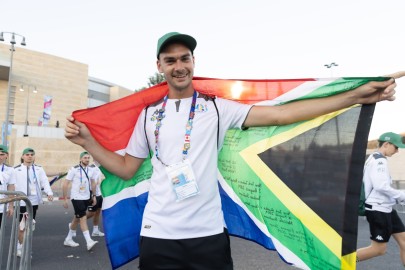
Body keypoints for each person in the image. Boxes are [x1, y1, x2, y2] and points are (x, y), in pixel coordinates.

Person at [64, 32, 403, 269]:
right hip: (157, 236)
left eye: (185, 58)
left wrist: (356, 96)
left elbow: (283, 113)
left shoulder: (216, 108)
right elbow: (125, 168)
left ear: (193, 61)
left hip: (208, 235)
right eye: (171, 60)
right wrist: (88, 143)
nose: (179, 66)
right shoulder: (148, 115)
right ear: (160, 66)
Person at [356, 132, 405, 265]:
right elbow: (381, 186)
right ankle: (336, 262)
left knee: (404, 242)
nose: (397, 151)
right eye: (396, 147)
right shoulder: (380, 161)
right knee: (378, 249)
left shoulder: (373, 158)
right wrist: (401, 195)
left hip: (385, 208)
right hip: (378, 209)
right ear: (386, 144)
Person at [14, 147, 53, 257]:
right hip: (21, 202)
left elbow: (44, 181)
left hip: (34, 202)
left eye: (32, 154)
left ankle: (21, 245)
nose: (30, 156)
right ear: (22, 156)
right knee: (23, 226)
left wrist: (49, 193)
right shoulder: (16, 169)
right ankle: (21, 248)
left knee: (29, 225)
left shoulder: (39, 169)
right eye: (27, 154)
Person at [62, 151, 98, 251]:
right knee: (82, 218)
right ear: (81, 159)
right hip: (76, 197)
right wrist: (65, 198)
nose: (87, 159)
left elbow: (93, 183)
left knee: (77, 218)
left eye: (88, 158)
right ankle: (89, 241)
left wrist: (94, 196)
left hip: (86, 197)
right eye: (85, 158)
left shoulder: (91, 170)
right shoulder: (74, 169)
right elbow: (65, 184)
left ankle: (68, 239)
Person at [86, 163, 104, 237]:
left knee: (98, 212)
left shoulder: (99, 167)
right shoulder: (91, 167)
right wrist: (93, 195)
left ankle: (95, 231)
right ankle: (74, 222)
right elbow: (90, 181)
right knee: (92, 213)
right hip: (93, 194)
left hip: (99, 193)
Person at [0, 144, 16, 228]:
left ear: (6, 155)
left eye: (2, 154)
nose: (0, 156)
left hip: (1, 205)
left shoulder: (10, 169)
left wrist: (10, 206)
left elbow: (11, 187)